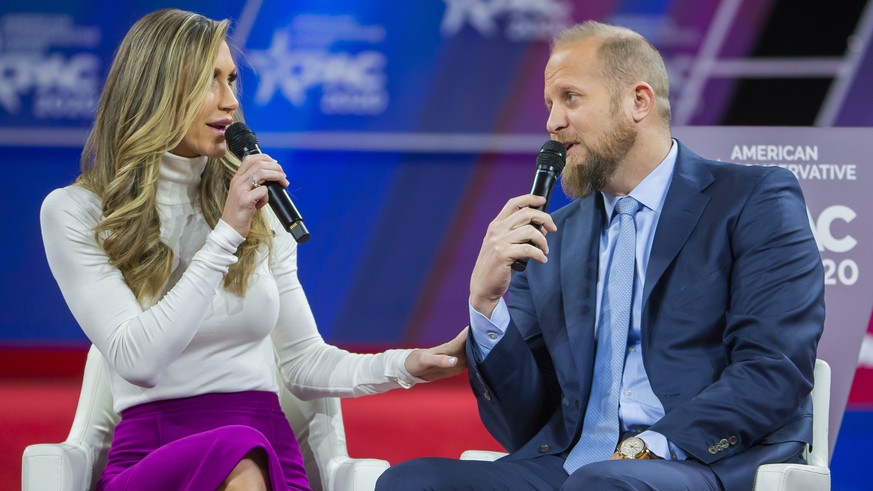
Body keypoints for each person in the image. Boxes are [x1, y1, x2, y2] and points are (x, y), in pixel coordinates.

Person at [376, 20, 824, 491]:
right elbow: (521, 423)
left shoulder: (753, 199)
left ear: (638, 101)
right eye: (549, 104)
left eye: (571, 97)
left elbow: (773, 369)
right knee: (411, 482)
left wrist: (648, 446)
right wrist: (487, 309)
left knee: (603, 484)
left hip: (694, 459)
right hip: (572, 466)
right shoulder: (553, 234)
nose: (552, 122)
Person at [39, 9, 467, 491]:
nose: (229, 101)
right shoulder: (78, 211)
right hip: (156, 456)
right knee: (237, 453)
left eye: (232, 79)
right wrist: (225, 235)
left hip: (268, 451)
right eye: (208, 82)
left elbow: (304, 364)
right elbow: (138, 360)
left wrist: (408, 366)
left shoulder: (259, 207)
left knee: (244, 452)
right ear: (154, 93)